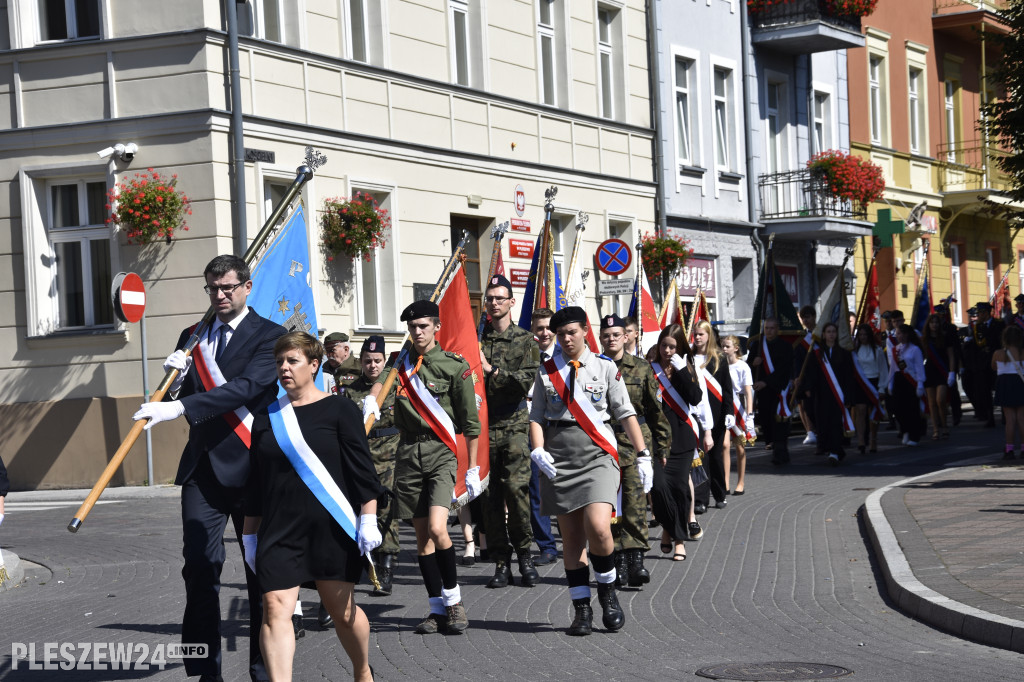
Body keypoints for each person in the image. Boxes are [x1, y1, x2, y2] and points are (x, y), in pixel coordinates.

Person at [132, 254, 286, 681]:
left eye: (227, 288)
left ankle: (263, 671)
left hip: (253, 469)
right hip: (203, 470)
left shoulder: (270, 336)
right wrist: (173, 381)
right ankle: (204, 672)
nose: (219, 296)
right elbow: (177, 396)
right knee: (199, 567)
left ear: (247, 287)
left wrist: (180, 404)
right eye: (212, 289)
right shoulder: (192, 334)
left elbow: (245, 388)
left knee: (260, 577)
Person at [243, 332, 382, 682]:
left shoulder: (340, 409)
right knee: (274, 609)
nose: (284, 368)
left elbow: (363, 472)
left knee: (341, 611)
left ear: (314, 365)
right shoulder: (266, 417)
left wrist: (369, 518)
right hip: (279, 529)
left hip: (329, 527)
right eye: (279, 362)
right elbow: (256, 483)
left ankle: (362, 670)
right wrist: (249, 537)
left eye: (292, 361)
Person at [528, 306, 649, 636]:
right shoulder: (546, 370)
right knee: (571, 540)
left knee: (599, 526)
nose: (566, 339)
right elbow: (537, 415)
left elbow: (626, 413)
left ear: (585, 331)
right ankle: (582, 609)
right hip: (559, 457)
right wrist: (538, 449)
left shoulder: (604, 367)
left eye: (572, 332)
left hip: (598, 453)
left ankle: (608, 593)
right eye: (561, 334)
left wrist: (643, 454)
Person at [364, 300, 481, 635]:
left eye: (423, 326)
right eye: (412, 327)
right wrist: (372, 400)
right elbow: (381, 386)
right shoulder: (400, 363)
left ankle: (454, 602)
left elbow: (470, 423)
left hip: (440, 451)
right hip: (408, 452)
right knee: (421, 539)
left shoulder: (453, 366)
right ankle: (436, 609)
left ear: (436, 327)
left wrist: (472, 468)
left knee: (437, 528)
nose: (417, 332)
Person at [478, 275, 541, 589]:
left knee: (516, 492)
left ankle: (525, 555)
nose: (494, 303)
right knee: (489, 499)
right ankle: (501, 562)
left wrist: (491, 371)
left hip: (514, 424)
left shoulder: (527, 341)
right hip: (483, 426)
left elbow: (524, 382)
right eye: (490, 298)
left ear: (511, 302)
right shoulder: (476, 339)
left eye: (500, 298)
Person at [598, 314, 670, 588]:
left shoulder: (641, 368)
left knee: (635, 505)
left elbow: (654, 411)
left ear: (626, 336)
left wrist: (661, 447)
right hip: (604, 444)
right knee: (610, 508)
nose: (612, 339)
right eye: (607, 335)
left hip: (635, 445)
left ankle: (636, 560)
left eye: (617, 334)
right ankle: (617, 563)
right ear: (601, 338)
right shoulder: (593, 367)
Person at [342, 336, 401, 598]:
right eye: (367, 361)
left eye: (377, 361)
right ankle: (367, 561)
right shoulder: (352, 390)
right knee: (361, 509)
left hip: (390, 453)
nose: (373, 366)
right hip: (361, 456)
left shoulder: (394, 385)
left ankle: (386, 564)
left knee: (385, 506)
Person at [646, 324, 709, 561]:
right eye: (664, 345)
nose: (668, 351)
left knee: (680, 490)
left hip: (682, 437)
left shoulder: (687, 367)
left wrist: (681, 369)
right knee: (659, 489)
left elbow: (695, 398)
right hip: (656, 438)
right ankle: (668, 528)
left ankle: (678, 539)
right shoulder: (649, 368)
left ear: (680, 347)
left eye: (673, 347)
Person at [528, 308, 559, 566]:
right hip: (531, 426)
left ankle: (575, 537)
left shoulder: (565, 356)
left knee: (565, 484)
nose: (544, 333)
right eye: (539, 328)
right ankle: (547, 545)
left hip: (559, 428)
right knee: (535, 489)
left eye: (548, 327)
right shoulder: (526, 356)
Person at [691, 321, 732, 505]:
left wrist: (729, 412)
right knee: (700, 457)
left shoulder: (719, 359)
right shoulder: (688, 358)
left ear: (709, 336)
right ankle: (700, 500)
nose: (698, 337)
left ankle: (719, 493)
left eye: (701, 334)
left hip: (717, 415)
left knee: (715, 456)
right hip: (697, 415)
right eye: (696, 334)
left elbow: (727, 389)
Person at [803, 322, 854, 466]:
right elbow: (812, 374)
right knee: (823, 423)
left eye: (833, 331)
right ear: (823, 335)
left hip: (839, 396)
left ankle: (835, 452)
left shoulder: (844, 354)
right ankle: (835, 450)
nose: (831, 334)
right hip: (822, 395)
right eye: (828, 332)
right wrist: (808, 388)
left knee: (836, 424)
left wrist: (849, 396)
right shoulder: (817, 354)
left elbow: (848, 377)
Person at [749, 318, 795, 465]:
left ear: (777, 329)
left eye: (772, 328)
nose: (769, 331)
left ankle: (781, 453)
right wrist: (753, 363)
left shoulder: (785, 347)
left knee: (780, 422)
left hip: (779, 390)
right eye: (767, 328)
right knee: (767, 420)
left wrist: (766, 382)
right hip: (763, 393)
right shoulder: (757, 345)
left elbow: (784, 369)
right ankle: (774, 445)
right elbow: (748, 366)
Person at [721, 335, 753, 494]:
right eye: (723, 346)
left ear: (735, 348)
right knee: (725, 445)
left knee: (740, 447)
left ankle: (740, 482)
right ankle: (725, 482)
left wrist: (750, 415)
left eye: (727, 346)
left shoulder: (742, 366)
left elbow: (748, 392)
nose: (724, 349)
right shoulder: (720, 365)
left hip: (738, 408)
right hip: (725, 408)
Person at [964, 302, 1004, 427]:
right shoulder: (978, 327)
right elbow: (976, 346)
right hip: (983, 364)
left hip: (997, 362)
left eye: (980, 313)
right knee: (985, 391)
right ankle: (989, 417)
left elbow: (1001, 342)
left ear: (985, 313)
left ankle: (1004, 415)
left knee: (1000, 389)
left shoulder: (999, 325)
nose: (978, 315)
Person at [888, 324, 926, 446]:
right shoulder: (895, 349)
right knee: (897, 408)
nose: (900, 336)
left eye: (902, 333)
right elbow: (893, 368)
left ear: (907, 334)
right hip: (899, 380)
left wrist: (920, 384)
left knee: (912, 409)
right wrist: (890, 383)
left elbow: (919, 368)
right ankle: (905, 430)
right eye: (898, 334)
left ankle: (914, 436)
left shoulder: (915, 349)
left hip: (911, 381)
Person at [852, 324, 887, 454]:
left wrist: (882, 387)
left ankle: (873, 439)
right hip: (860, 383)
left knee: (873, 413)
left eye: (865, 334)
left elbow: (883, 370)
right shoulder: (855, 351)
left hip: (874, 382)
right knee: (860, 411)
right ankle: (861, 440)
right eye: (860, 335)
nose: (863, 337)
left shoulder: (877, 350)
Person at [922, 314, 956, 440]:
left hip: (942, 372)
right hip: (929, 372)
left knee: (940, 400)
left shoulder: (945, 337)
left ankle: (944, 425)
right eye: (932, 323)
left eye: (936, 322)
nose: (934, 325)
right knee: (931, 403)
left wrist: (952, 372)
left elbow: (951, 356)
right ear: (928, 325)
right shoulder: (925, 339)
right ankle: (935, 428)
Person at [993, 325, 1024, 460]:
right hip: (1020, 384)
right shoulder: (1022, 352)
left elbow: (993, 367)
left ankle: (1009, 449)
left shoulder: (998, 353)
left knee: (1010, 419)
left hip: (1005, 385)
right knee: (1022, 419)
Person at [793, 305, 818, 448]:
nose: (806, 320)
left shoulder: (820, 333)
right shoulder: (801, 337)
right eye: (803, 318)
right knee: (803, 404)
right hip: (804, 374)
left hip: (820, 375)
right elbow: (797, 358)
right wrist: (796, 376)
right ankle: (810, 431)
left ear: (814, 317)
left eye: (808, 317)